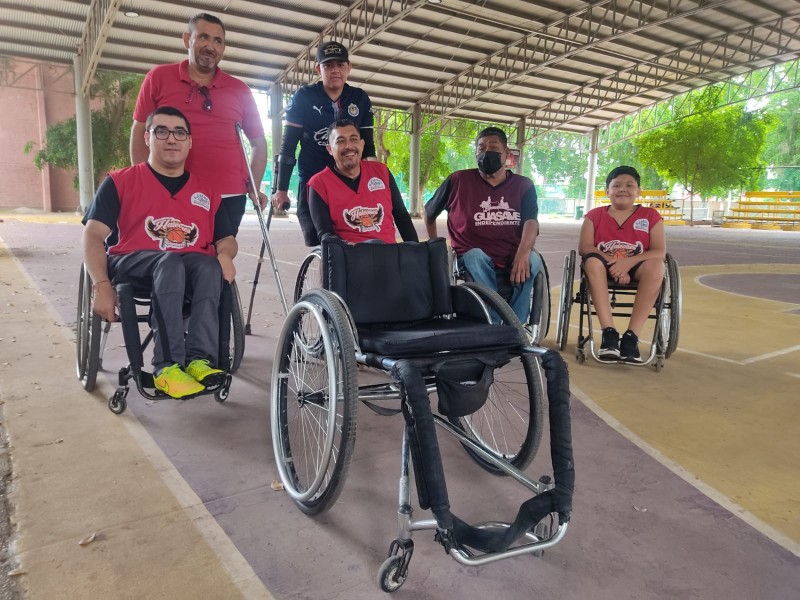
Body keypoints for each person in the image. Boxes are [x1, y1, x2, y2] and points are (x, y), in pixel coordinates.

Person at [84, 106, 238, 399]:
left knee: (208, 267)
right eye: (162, 131)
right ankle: (166, 367)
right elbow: (92, 235)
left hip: (188, 268)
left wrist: (225, 255)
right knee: (170, 262)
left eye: (180, 132)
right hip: (133, 263)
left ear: (190, 142)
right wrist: (101, 285)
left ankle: (199, 361)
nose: (172, 139)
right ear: (147, 138)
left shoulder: (207, 191)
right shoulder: (119, 181)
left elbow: (226, 238)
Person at [130, 12, 266, 235]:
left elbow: (259, 143)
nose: (210, 46)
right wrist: (142, 179)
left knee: (221, 257)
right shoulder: (158, 77)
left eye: (217, 41)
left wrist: (254, 185)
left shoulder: (240, 90)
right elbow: (139, 131)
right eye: (203, 37)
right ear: (187, 39)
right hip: (171, 189)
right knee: (175, 254)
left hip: (229, 194)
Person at [424, 126, 542, 324]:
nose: (487, 152)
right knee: (476, 257)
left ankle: (517, 324)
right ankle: (496, 324)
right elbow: (429, 213)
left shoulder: (524, 185)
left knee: (533, 261)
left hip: (512, 255)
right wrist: (436, 244)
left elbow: (531, 221)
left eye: (493, 147)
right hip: (472, 256)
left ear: (506, 154)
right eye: (481, 148)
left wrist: (523, 253)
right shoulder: (458, 180)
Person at [272, 41, 375, 247]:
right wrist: (281, 188)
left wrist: (373, 186)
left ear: (349, 67)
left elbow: (368, 148)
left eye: (340, 64)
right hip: (312, 182)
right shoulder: (304, 97)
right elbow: (289, 145)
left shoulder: (360, 98)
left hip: (349, 183)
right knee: (321, 244)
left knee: (355, 240)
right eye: (328, 65)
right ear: (318, 69)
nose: (335, 70)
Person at [579, 165, 666, 362]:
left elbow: (659, 251)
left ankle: (631, 337)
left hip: (637, 265)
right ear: (607, 191)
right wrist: (615, 264)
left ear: (638, 191)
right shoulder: (594, 216)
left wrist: (627, 264)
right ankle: (609, 333)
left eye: (629, 185)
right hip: (602, 264)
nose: (622, 189)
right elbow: (585, 247)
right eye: (616, 185)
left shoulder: (650, 216)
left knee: (657, 265)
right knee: (591, 262)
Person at [307, 119, 418, 244]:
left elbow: (402, 217)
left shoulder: (382, 172)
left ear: (362, 144)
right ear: (329, 149)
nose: (349, 146)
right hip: (348, 258)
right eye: (340, 141)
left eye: (353, 139)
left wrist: (418, 251)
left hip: (389, 256)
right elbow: (325, 234)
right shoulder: (318, 184)